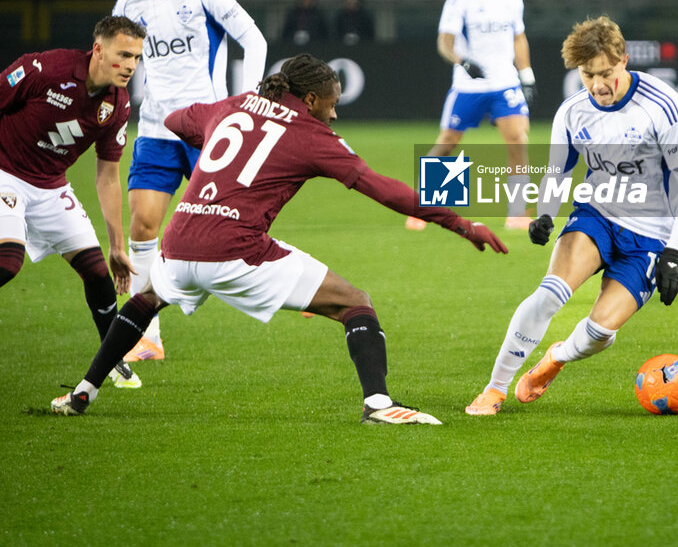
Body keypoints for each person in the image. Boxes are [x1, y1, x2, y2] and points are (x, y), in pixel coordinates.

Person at [52, 54, 508, 423]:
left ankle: (84, 392)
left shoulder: (230, 107)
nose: (334, 112)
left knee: (148, 298)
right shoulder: (311, 134)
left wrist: (217, 128)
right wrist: (460, 223)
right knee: (355, 303)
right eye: (331, 103)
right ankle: (378, 405)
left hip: (180, 241)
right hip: (234, 251)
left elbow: (174, 120)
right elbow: (384, 189)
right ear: (310, 99)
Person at [465, 16, 678, 416]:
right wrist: (544, 213)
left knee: (599, 333)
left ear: (624, 60)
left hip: (649, 236)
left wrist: (673, 253)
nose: (598, 85)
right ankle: (495, 389)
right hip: (597, 215)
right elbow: (558, 171)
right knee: (549, 294)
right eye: (587, 74)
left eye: (606, 73)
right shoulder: (573, 112)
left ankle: (556, 357)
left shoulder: (664, 106)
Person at [113, 0, 268, 361]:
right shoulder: (128, 4)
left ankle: (289, 287)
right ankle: (149, 337)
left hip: (209, 130)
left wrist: (250, 101)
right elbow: (115, 60)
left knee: (224, 228)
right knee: (143, 224)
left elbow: (253, 39)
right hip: (157, 127)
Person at [0, 16, 145, 389]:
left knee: (98, 274)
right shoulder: (46, 69)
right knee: (7, 262)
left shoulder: (118, 104)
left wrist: (116, 246)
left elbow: (108, 176)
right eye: (124, 54)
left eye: (137, 58)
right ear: (98, 49)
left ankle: (111, 359)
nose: (131, 65)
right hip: (6, 171)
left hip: (50, 187)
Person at [406, 0, 537, 232]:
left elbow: (519, 38)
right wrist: (462, 62)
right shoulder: (459, 1)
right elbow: (445, 42)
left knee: (518, 139)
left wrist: (526, 75)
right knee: (448, 142)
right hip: (469, 85)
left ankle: (517, 212)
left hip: (504, 82)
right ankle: (423, 208)